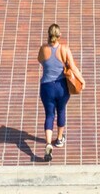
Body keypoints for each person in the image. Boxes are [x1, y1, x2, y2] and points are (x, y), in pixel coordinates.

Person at [37, 23, 76, 157]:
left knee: (49, 115)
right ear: (59, 36)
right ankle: (59, 139)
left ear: (48, 34)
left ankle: (48, 143)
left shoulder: (43, 49)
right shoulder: (64, 49)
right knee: (61, 111)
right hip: (61, 87)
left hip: (46, 87)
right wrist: (81, 80)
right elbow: (73, 67)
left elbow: (40, 60)